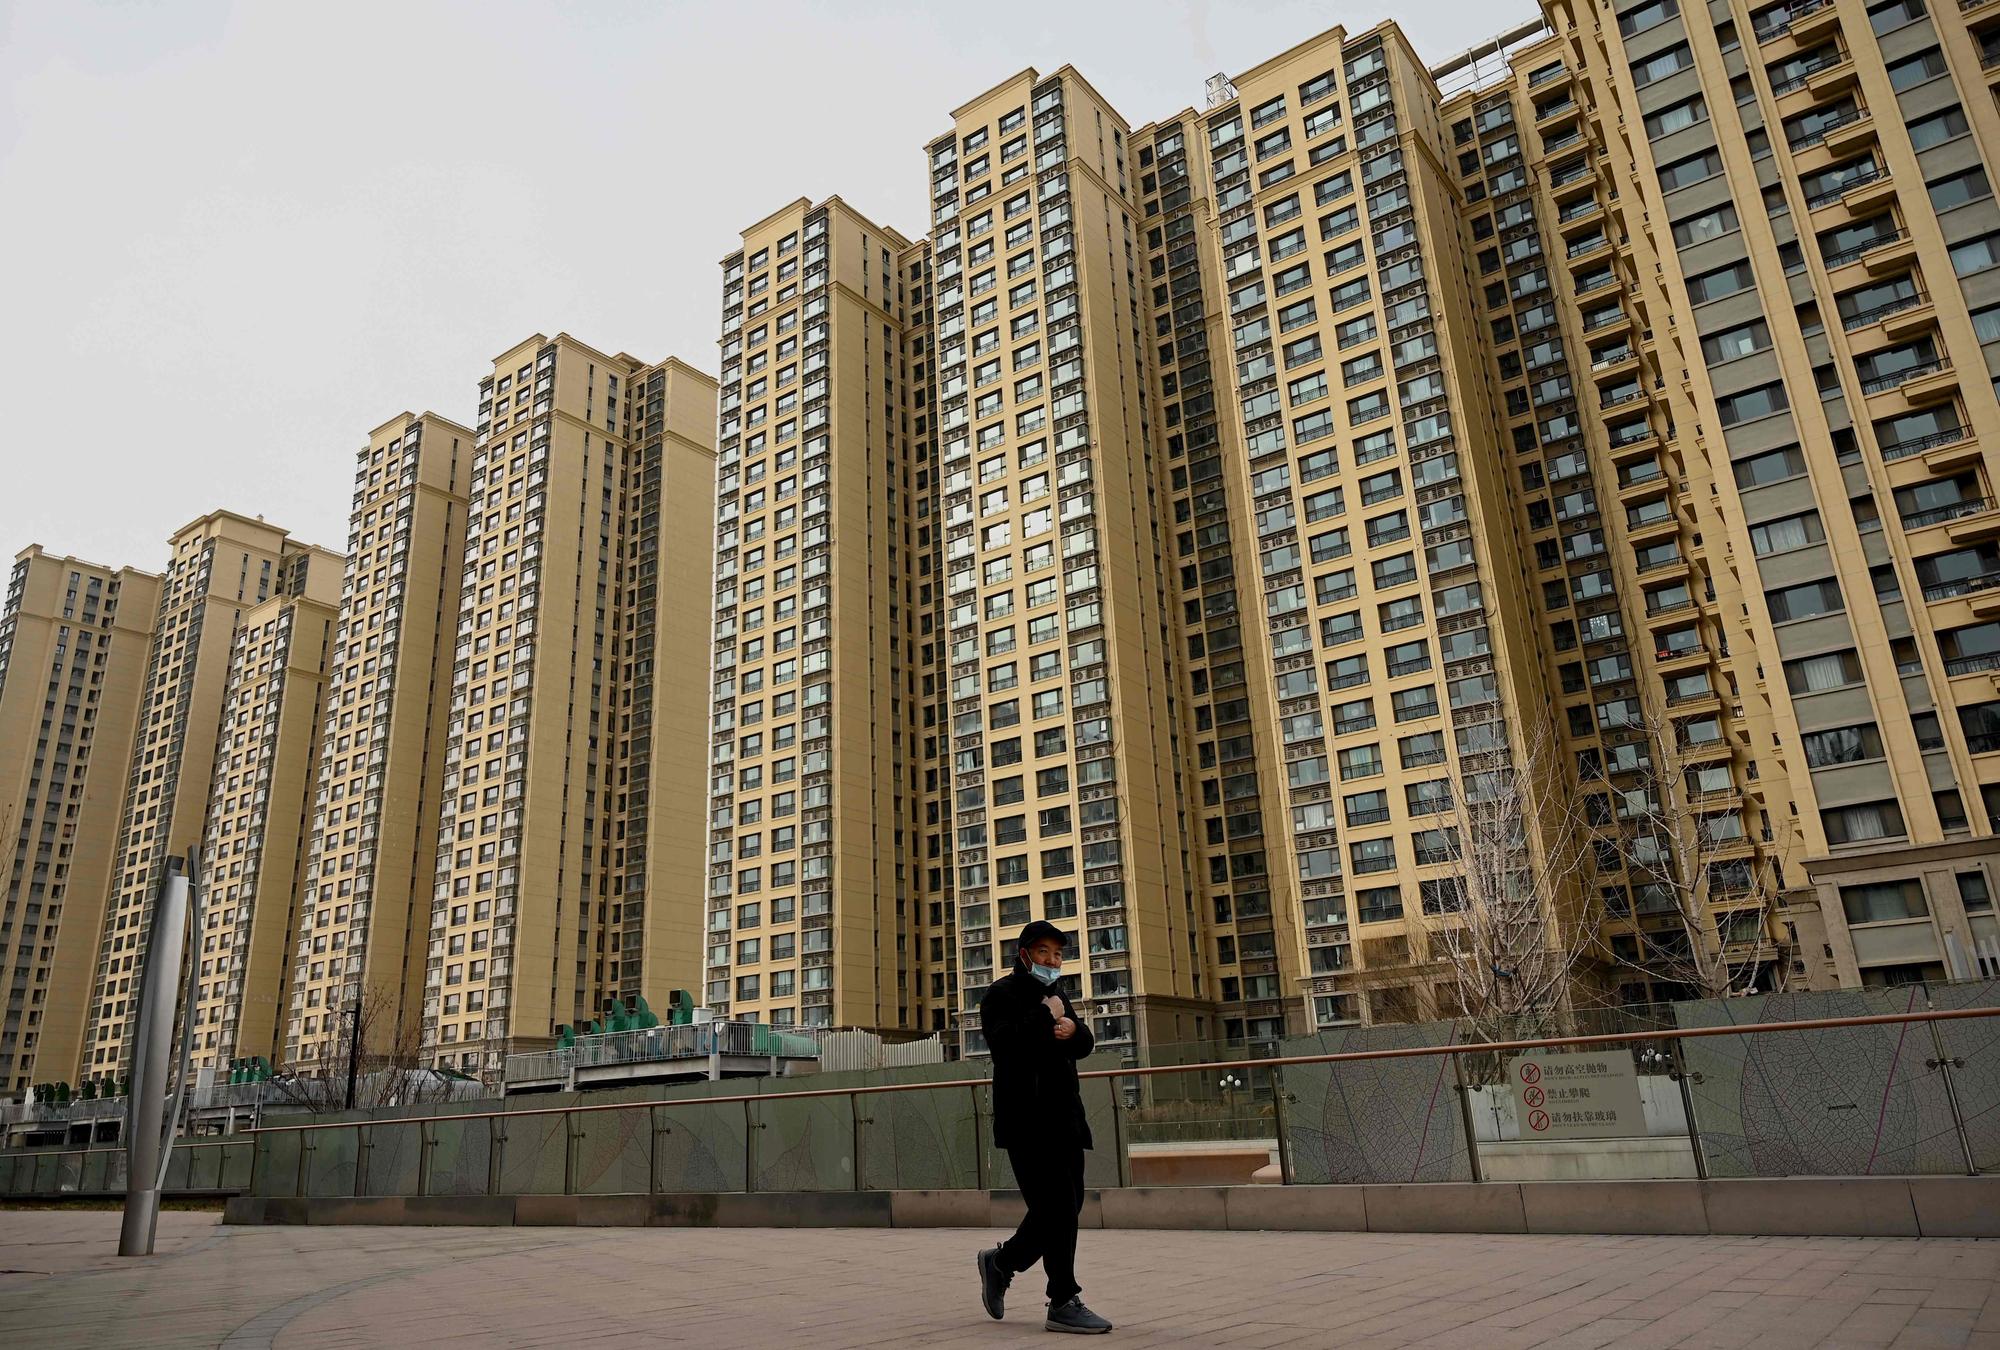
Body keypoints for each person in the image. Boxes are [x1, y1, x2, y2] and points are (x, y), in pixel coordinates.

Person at [974, 920, 1113, 1334]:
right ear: (1024, 954)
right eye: (1043, 953)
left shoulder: (1058, 995)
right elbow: (1004, 1045)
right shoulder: (1000, 994)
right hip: (1026, 1122)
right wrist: (1043, 1014)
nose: (1052, 961)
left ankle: (1001, 1263)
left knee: (1065, 1206)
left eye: (1058, 954)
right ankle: (1063, 1299)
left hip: (1065, 1118)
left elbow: (1083, 1044)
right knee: (1055, 1207)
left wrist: (1073, 1029)